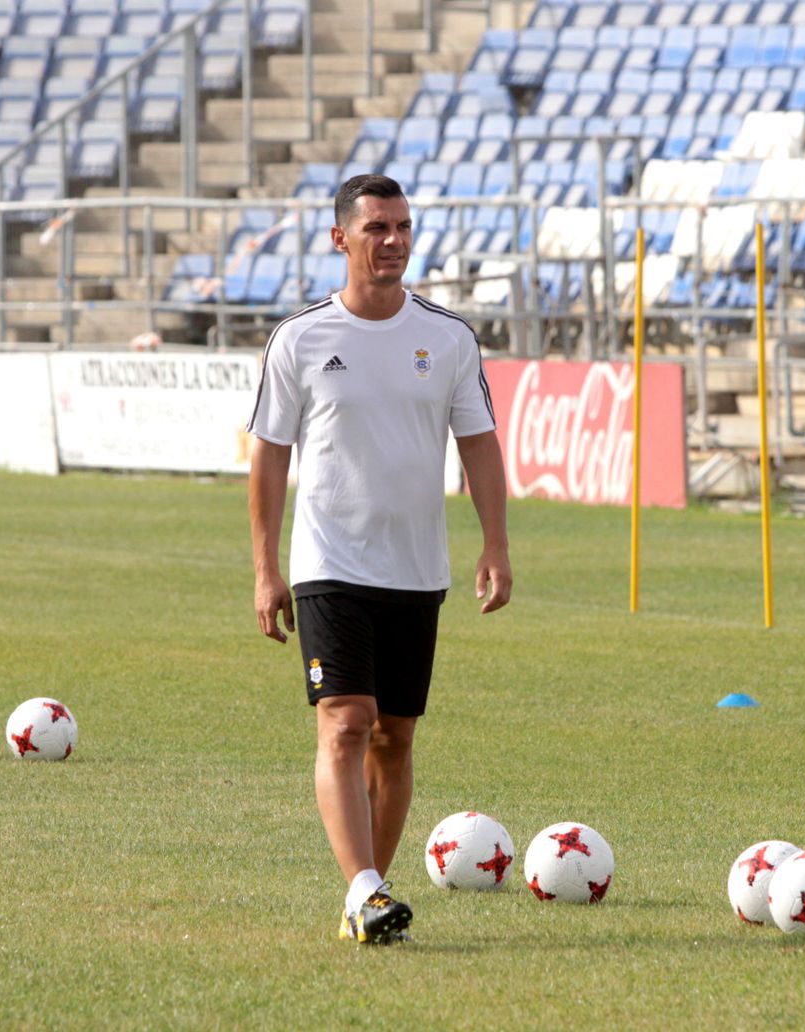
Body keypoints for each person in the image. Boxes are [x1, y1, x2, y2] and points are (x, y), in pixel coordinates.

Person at [246, 174, 512, 945]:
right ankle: (363, 886)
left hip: (417, 568)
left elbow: (480, 444)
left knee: (396, 737)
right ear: (340, 239)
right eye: (376, 229)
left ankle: (369, 898)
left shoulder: (449, 337)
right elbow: (267, 457)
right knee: (346, 722)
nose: (392, 241)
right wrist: (266, 568)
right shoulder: (301, 339)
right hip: (329, 561)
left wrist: (495, 543)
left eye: (402, 227)